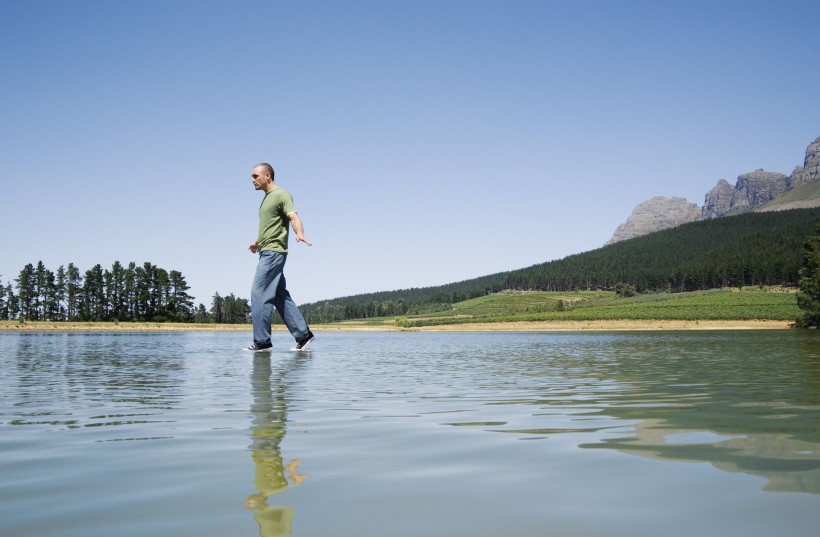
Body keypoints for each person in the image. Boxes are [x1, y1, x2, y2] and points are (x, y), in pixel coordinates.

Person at [245, 163, 315, 351]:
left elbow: (293, 217)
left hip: (273, 252)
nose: (252, 180)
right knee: (278, 295)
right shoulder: (267, 199)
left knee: (258, 292)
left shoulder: (282, 195)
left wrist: (299, 233)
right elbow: (270, 227)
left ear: (267, 175)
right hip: (266, 250)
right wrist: (257, 242)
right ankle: (303, 335)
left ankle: (262, 342)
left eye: (255, 176)